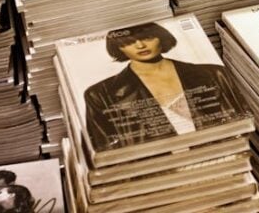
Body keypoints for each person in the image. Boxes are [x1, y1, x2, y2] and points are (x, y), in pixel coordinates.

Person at [82, 22, 245, 151]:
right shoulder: (100, 93)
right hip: (157, 176)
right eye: (129, 42)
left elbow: (242, 124)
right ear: (118, 48)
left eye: (147, 38)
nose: (140, 46)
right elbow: (104, 148)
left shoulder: (214, 73)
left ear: (161, 37)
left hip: (223, 158)